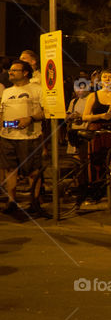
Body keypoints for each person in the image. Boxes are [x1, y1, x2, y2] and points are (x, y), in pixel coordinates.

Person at [0, 60, 45, 216]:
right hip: (7, 136)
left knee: (32, 171)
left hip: (29, 138)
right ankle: (12, 201)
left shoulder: (37, 90)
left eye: (14, 70)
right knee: (9, 170)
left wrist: (31, 118)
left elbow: (47, 112)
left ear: (25, 72)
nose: (10, 72)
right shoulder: (6, 92)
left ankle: (35, 201)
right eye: (10, 70)